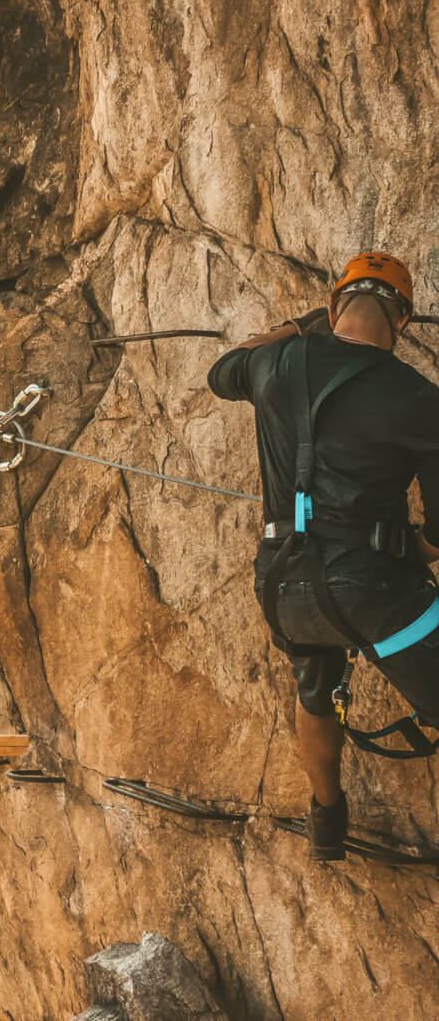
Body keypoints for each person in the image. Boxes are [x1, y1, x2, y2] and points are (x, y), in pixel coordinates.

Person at [209, 251, 439, 860]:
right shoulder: (418, 398)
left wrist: (298, 326)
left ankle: (327, 821)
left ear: (335, 306)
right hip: (377, 598)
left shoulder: (271, 365)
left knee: (316, 688)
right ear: (404, 322)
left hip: (285, 591)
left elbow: (222, 369)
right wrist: (410, 549)